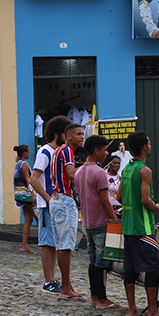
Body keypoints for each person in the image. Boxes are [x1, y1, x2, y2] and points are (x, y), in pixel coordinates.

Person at [118, 131, 159, 316]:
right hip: (143, 227)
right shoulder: (144, 170)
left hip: (128, 226)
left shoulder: (126, 169)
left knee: (130, 269)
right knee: (152, 269)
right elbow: (145, 200)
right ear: (144, 147)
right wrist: (156, 207)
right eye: (149, 142)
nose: (151, 145)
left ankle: (132, 309)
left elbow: (118, 196)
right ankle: (152, 311)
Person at [75, 135, 120, 309]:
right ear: (96, 151)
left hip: (88, 221)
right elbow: (104, 200)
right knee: (102, 261)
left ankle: (94, 296)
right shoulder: (100, 173)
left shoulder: (79, 172)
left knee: (93, 260)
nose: (106, 153)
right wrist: (114, 220)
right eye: (104, 150)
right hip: (101, 221)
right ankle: (101, 298)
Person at [30, 116, 70, 295]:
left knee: (55, 243)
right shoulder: (45, 152)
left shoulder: (59, 152)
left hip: (55, 204)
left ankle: (53, 279)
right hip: (48, 205)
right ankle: (48, 281)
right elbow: (34, 178)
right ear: (57, 134)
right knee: (48, 243)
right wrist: (48, 199)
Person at [50, 123, 87, 302]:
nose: (82, 137)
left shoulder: (59, 151)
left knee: (61, 245)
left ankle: (67, 285)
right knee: (66, 245)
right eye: (79, 134)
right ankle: (65, 288)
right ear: (68, 136)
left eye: (83, 134)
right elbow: (72, 175)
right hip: (64, 200)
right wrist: (87, 167)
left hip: (57, 200)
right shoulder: (67, 151)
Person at [13, 144, 38, 254]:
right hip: (26, 195)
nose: (29, 153)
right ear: (24, 153)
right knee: (39, 219)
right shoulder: (24, 164)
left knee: (28, 219)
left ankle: (24, 246)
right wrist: (33, 194)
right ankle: (47, 243)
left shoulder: (17, 164)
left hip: (19, 195)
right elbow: (28, 180)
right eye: (28, 152)